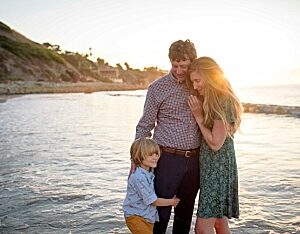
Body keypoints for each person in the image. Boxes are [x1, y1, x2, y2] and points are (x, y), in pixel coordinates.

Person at [135, 39, 202, 234]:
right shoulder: (157, 88)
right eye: (175, 65)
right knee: (160, 215)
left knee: (185, 214)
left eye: (184, 66)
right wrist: (137, 159)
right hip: (166, 159)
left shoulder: (199, 86)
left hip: (195, 160)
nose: (179, 70)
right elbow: (145, 125)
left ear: (192, 62)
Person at [187, 56, 243, 234]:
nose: (195, 86)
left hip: (217, 171)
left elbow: (215, 143)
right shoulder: (214, 100)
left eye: (197, 80)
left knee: (202, 229)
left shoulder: (222, 101)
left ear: (209, 76)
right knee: (219, 224)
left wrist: (198, 117)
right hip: (214, 168)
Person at [123, 137, 180, 234]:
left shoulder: (148, 171)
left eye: (156, 154)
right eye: (150, 155)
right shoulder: (139, 177)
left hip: (147, 217)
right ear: (139, 156)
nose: (155, 157)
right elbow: (152, 201)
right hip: (136, 217)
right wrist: (172, 202)